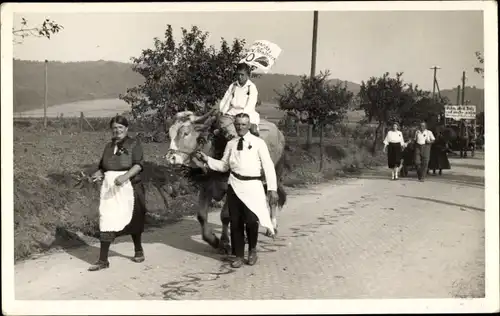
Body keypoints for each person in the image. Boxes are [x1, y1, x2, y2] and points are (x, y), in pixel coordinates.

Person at [196, 113, 279, 268]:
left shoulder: (258, 143)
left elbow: (268, 166)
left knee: (251, 221)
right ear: (235, 125)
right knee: (236, 222)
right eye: (238, 124)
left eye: (243, 124)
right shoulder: (231, 144)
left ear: (249, 125)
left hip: (253, 185)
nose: (240, 127)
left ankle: (252, 250)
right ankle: (238, 255)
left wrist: (272, 189)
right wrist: (207, 160)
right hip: (234, 185)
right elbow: (223, 166)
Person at [89, 115, 147, 271]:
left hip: (130, 186)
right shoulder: (108, 146)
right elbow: (103, 166)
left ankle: (138, 249)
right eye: (114, 128)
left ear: (126, 129)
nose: (117, 130)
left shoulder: (134, 143)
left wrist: (125, 176)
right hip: (110, 188)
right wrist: (99, 173)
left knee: (133, 219)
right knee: (106, 218)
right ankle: (103, 260)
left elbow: (138, 165)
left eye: (120, 128)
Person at [218, 62, 260, 139]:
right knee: (223, 123)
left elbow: (251, 104)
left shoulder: (251, 87)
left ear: (247, 75)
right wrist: (222, 110)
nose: (240, 77)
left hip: (246, 113)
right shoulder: (233, 86)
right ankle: (233, 138)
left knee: (250, 129)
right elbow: (226, 100)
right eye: (238, 74)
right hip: (233, 112)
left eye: (242, 75)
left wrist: (242, 116)